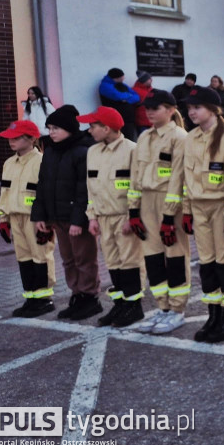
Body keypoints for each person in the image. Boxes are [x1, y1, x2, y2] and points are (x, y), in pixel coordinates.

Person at [181, 86, 224, 343]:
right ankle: (214, 315)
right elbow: (187, 176)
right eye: (189, 109)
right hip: (199, 207)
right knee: (207, 265)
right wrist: (186, 209)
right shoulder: (191, 138)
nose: (191, 112)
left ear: (213, 109)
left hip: (221, 207)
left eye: (197, 107)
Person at [128, 89, 191, 335]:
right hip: (145, 202)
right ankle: (162, 307)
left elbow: (178, 176)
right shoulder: (144, 137)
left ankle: (177, 310)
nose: (150, 112)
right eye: (148, 108)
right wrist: (133, 211)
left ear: (171, 110)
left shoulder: (180, 137)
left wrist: (168, 216)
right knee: (152, 256)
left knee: (175, 256)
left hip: (168, 202)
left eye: (156, 107)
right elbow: (135, 175)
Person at [32, 105, 101, 320]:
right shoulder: (51, 150)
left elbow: (84, 190)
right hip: (57, 216)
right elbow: (42, 184)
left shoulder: (83, 151)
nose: (51, 132)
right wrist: (40, 215)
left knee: (84, 258)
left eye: (56, 128)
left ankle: (90, 298)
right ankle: (77, 294)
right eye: (49, 128)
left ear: (70, 129)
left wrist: (78, 220)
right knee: (68, 260)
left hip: (75, 218)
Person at [79, 107, 145, 328]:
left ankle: (134, 307)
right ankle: (120, 305)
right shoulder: (93, 152)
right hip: (103, 218)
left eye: (93, 126)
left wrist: (132, 216)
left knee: (130, 262)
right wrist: (92, 217)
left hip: (124, 217)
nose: (89, 131)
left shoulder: (133, 150)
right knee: (113, 262)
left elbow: (138, 187)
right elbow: (91, 187)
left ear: (106, 128)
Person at [0, 120, 57, 317]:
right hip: (15, 218)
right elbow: (5, 193)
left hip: (35, 219)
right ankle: (31, 297)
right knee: (23, 257)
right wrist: (3, 219)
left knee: (41, 255)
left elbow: (49, 193)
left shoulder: (42, 162)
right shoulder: (8, 164)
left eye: (16, 137)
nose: (11, 141)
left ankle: (44, 299)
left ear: (32, 139)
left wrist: (47, 221)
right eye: (9, 138)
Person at [99, 67, 140, 141]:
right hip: (115, 120)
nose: (123, 80)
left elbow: (136, 96)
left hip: (128, 120)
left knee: (130, 141)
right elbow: (118, 96)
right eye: (121, 78)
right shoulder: (105, 86)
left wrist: (127, 100)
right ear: (116, 78)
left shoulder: (122, 85)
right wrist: (128, 96)